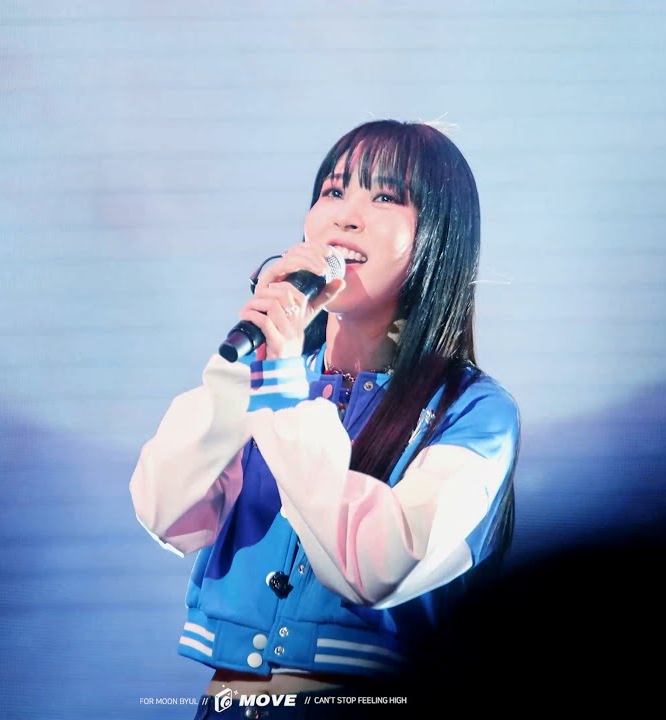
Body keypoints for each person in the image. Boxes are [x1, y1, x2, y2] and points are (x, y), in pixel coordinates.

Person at [130, 119, 521, 718]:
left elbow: (379, 567)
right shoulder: (272, 378)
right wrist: (250, 368)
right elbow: (168, 511)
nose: (346, 216)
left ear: (439, 236)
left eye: (385, 197)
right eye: (334, 191)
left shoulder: (475, 412)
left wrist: (282, 391)